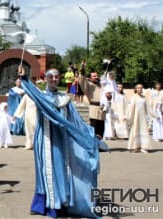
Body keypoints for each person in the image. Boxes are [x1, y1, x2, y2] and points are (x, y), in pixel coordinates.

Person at [18, 65, 100, 219]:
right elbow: (30, 90)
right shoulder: (40, 96)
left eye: (56, 77)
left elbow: (76, 121)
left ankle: (61, 202)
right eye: (51, 77)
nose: (54, 79)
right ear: (45, 79)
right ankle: (42, 204)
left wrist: (89, 135)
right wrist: (23, 77)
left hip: (61, 141)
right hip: (45, 140)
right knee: (44, 171)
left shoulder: (65, 99)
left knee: (61, 170)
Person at [78, 61, 105, 139]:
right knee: (94, 127)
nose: (96, 77)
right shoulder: (88, 86)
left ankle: (100, 144)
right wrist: (82, 68)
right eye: (94, 76)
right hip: (94, 108)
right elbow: (82, 79)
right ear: (90, 78)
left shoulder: (101, 85)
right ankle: (93, 144)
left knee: (101, 128)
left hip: (102, 108)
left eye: (97, 76)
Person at [127, 84, 153, 153]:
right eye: (138, 88)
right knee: (135, 130)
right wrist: (127, 116)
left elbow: (148, 108)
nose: (140, 89)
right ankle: (135, 146)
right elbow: (130, 108)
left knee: (143, 130)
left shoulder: (144, 98)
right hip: (136, 117)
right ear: (135, 89)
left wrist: (153, 116)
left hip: (143, 118)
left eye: (141, 88)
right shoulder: (133, 97)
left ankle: (144, 147)